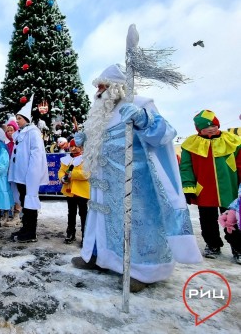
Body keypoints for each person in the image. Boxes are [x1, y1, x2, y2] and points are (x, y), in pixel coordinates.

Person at [71, 64, 202, 292]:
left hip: (135, 183)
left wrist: (143, 119)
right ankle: (96, 256)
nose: (98, 91)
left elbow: (165, 134)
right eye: (97, 86)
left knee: (137, 226)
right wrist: (86, 139)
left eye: (103, 85)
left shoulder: (139, 104)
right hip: (104, 185)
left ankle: (143, 270)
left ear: (117, 87)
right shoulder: (101, 113)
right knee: (99, 221)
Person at [180, 110, 241, 260]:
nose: (211, 128)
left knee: (232, 220)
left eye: (213, 125)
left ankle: (238, 248)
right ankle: (212, 245)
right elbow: (186, 167)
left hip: (229, 189)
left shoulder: (233, 141)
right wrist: (188, 187)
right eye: (206, 126)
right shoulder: (190, 145)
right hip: (204, 190)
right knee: (207, 221)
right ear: (198, 129)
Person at [8, 94, 49, 243]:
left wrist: (32, 174)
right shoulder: (19, 134)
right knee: (25, 203)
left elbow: (36, 155)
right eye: (16, 118)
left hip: (27, 176)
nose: (16, 121)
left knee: (30, 202)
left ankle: (31, 232)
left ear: (26, 119)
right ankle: (26, 227)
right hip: (19, 176)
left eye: (19, 118)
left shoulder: (33, 132)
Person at [57, 139, 90, 245]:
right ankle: (70, 232)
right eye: (71, 146)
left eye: (76, 146)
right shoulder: (66, 159)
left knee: (83, 213)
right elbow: (61, 171)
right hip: (70, 191)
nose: (73, 148)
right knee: (71, 213)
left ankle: (86, 235)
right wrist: (62, 178)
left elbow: (86, 173)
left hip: (82, 191)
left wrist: (72, 174)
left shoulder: (85, 159)